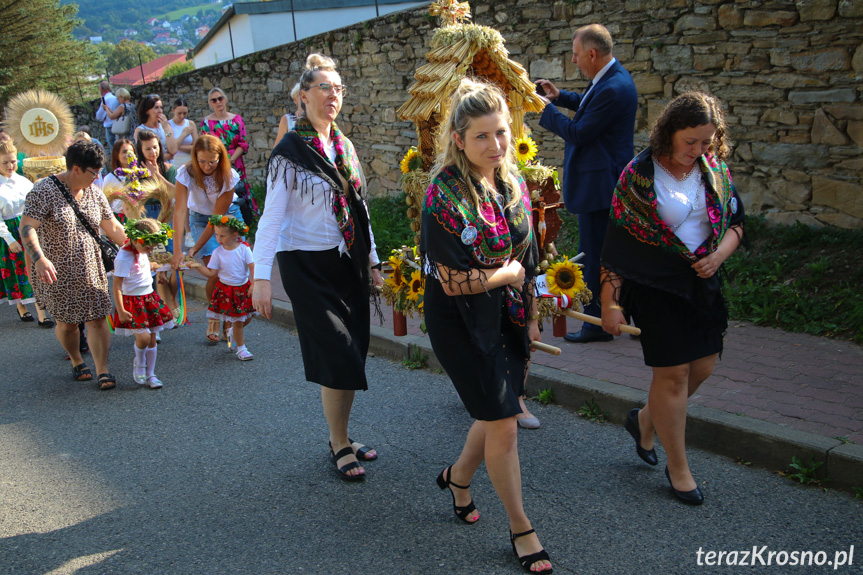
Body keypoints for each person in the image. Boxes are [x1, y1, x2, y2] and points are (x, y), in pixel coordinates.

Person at [420, 78, 551, 574]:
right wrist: (506, 275)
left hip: (508, 315)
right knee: (503, 421)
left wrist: (533, 314)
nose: (496, 146)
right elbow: (452, 281)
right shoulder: (442, 195)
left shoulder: (511, 181)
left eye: (501, 133)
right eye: (483, 136)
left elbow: (530, 255)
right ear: (458, 138)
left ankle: (457, 477)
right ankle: (521, 527)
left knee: (493, 412)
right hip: (460, 321)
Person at [600, 92, 744, 505]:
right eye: (691, 142)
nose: (699, 150)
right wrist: (611, 303)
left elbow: (736, 222)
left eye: (707, 142)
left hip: (702, 284)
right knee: (673, 375)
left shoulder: (714, 169)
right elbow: (617, 246)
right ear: (669, 133)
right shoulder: (638, 176)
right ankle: (678, 468)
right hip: (655, 287)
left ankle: (646, 420)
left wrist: (718, 255)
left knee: (703, 366)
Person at [252, 53, 383, 481]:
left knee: (353, 352)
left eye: (338, 89)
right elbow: (271, 217)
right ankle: (339, 443)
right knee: (337, 349)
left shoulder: (344, 147)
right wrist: (260, 277)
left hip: (347, 263)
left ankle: (340, 435)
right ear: (303, 96)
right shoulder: (289, 150)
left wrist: (373, 261)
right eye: (324, 87)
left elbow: (359, 208)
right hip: (304, 266)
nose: (333, 96)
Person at [537, 23, 638, 343]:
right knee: (614, 254)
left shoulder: (612, 87)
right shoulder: (611, 78)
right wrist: (561, 96)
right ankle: (628, 312)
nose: (573, 60)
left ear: (592, 54)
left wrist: (547, 109)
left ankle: (596, 323)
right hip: (605, 184)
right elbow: (589, 105)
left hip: (601, 187)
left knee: (594, 255)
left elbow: (579, 132)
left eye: (577, 55)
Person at [20, 140, 127, 390]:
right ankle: (77, 360)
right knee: (67, 324)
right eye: (93, 172)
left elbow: (113, 228)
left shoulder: (95, 192)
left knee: (99, 318)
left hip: (92, 268)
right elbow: (26, 227)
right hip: (56, 272)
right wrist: (39, 258)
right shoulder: (43, 190)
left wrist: (140, 249)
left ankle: (102, 369)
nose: (97, 177)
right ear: (76, 169)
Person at [171, 135, 245, 342]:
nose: (206, 166)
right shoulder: (185, 173)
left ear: (220, 158)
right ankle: (215, 317)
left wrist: (195, 248)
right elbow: (178, 212)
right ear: (195, 158)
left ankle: (229, 322)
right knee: (215, 272)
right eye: (202, 161)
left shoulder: (228, 176)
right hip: (198, 219)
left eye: (212, 161)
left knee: (231, 269)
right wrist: (180, 251)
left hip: (227, 217)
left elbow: (217, 220)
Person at [109, 218, 175, 389]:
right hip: (133, 301)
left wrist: (153, 265)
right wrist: (121, 310)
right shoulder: (124, 257)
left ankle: (151, 374)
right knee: (144, 337)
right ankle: (139, 363)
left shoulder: (142, 251)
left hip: (149, 298)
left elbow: (143, 266)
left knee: (152, 338)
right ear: (136, 240)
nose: (150, 250)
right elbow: (117, 285)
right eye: (148, 247)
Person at [0, 140, 53, 327]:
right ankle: (21, 306)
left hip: (28, 228)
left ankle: (41, 312)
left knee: (34, 269)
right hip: (9, 231)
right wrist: (9, 239)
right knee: (16, 271)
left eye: (13, 161)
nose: (10, 166)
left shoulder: (23, 182)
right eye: (5, 162)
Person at [191, 214, 256, 360]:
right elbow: (211, 273)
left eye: (222, 236)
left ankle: (232, 332)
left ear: (234, 235)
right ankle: (241, 349)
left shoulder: (244, 249)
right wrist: (196, 266)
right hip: (227, 290)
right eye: (216, 235)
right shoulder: (217, 252)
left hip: (243, 289)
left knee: (247, 318)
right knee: (238, 320)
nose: (218, 239)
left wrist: (254, 283)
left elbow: (252, 266)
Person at [200, 87, 257, 215]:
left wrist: (230, 160)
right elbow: (205, 144)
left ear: (225, 99)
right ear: (210, 103)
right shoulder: (206, 122)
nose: (218, 102)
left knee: (238, 188)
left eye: (220, 98)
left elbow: (243, 143)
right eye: (214, 100)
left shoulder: (236, 119)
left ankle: (244, 217)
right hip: (215, 162)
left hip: (235, 160)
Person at [136, 129, 177, 221]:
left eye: (155, 147)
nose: (153, 151)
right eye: (148, 149)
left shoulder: (169, 169)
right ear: (141, 150)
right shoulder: (135, 173)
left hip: (167, 212)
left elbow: (176, 193)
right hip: (144, 214)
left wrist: (156, 175)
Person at [102, 138, 145, 223]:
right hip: (119, 220)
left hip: (138, 218)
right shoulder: (110, 178)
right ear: (116, 155)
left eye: (131, 151)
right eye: (124, 152)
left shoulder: (140, 174)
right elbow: (104, 204)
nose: (128, 154)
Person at [134, 94, 179, 160]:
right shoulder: (140, 130)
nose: (160, 111)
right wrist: (168, 156)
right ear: (147, 111)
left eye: (161, 107)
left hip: (169, 166)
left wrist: (166, 128)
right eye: (156, 108)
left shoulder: (166, 126)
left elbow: (174, 150)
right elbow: (145, 155)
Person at [168, 98, 197, 167]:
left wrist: (177, 146)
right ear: (173, 111)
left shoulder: (190, 123)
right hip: (174, 161)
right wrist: (184, 134)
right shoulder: (168, 125)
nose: (182, 116)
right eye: (179, 113)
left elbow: (196, 146)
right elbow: (170, 149)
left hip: (190, 161)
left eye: (185, 113)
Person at [273, 82, 303, 147]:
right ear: (295, 100)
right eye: (301, 97)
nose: (305, 99)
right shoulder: (287, 119)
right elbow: (277, 147)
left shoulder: (317, 119)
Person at [95, 81, 120, 149]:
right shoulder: (115, 98)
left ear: (102, 89)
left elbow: (99, 116)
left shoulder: (105, 99)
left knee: (113, 148)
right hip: (118, 124)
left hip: (109, 126)